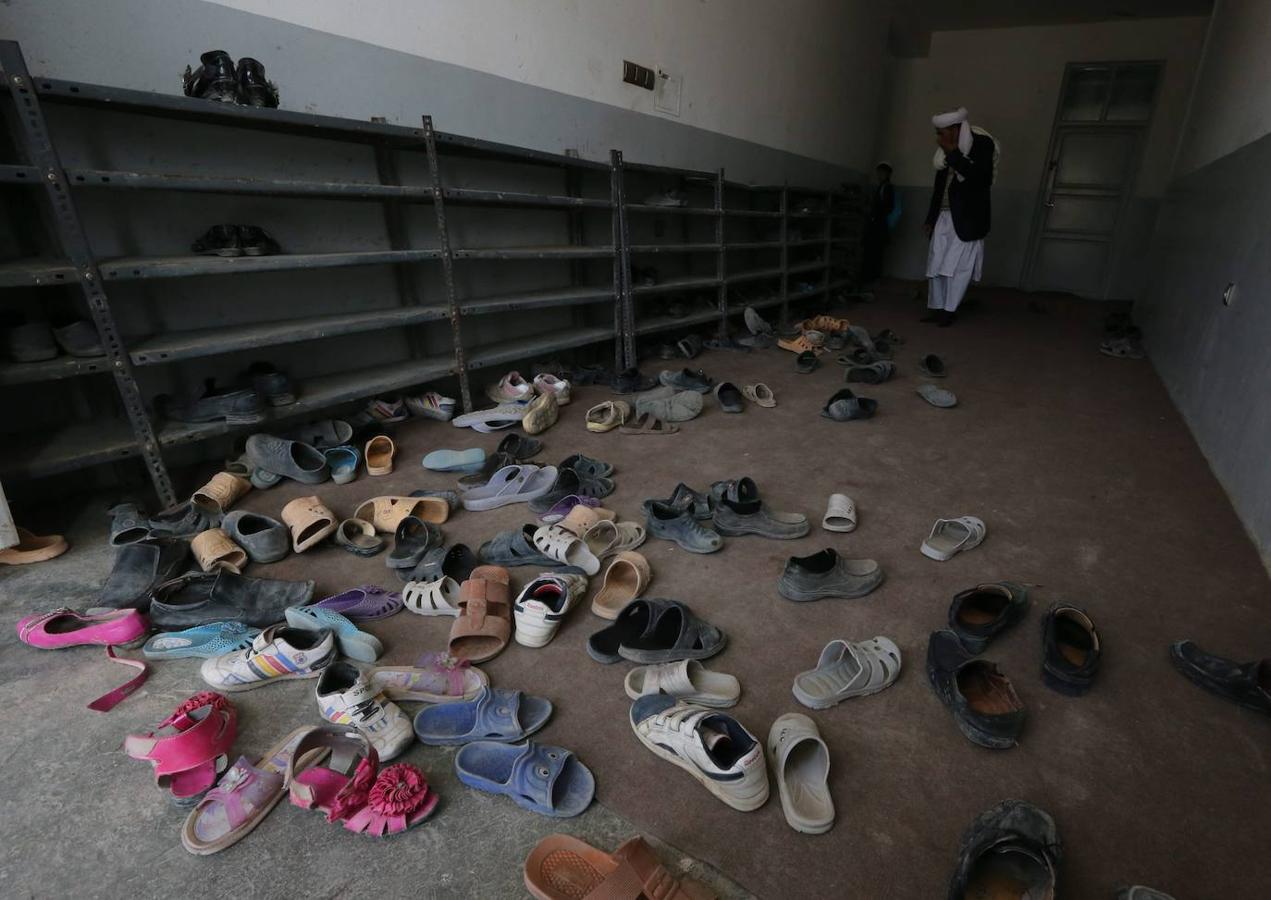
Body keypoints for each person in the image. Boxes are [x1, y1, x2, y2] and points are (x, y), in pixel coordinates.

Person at [923, 107, 998, 326]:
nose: (938, 138)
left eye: (942, 133)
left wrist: (953, 153)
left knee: (956, 267)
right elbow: (939, 188)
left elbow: (981, 179)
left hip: (968, 218)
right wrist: (930, 218)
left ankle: (949, 310)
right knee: (936, 265)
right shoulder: (942, 154)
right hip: (943, 217)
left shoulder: (982, 144)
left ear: (956, 129)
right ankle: (937, 309)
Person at [861, 162, 896, 286]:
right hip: (876, 223)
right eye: (878, 172)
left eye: (881, 172)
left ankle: (872, 277)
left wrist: (874, 212)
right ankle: (870, 276)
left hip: (878, 224)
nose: (879, 175)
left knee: (875, 252)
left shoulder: (887, 188)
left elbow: (887, 207)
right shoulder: (881, 187)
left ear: (887, 174)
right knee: (872, 251)